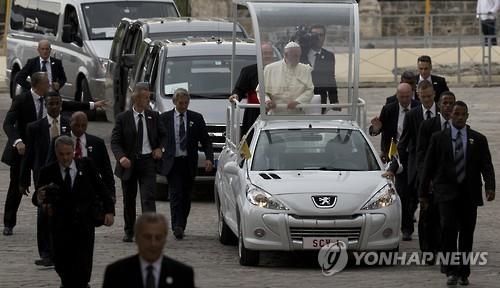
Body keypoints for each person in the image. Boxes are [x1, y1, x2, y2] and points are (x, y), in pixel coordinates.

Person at [1, 72, 102, 236]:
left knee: (47, 187)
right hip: (24, 149)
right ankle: (9, 222)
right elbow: (8, 124)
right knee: (17, 186)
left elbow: (67, 105)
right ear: (37, 85)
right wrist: (17, 141)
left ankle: (50, 221)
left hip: (44, 150)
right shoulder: (22, 100)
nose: (50, 84)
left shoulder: (50, 99)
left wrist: (91, 105)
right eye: (47, 82)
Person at [419, 101, 495, 286]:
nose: (460, 117)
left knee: (467, 233)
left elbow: (486, 165)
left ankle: (464, 272)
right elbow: (428, 166)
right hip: (445, 194)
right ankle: (451, 270)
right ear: (450, 115)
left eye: (463, 114)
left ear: (467, 116)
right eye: (456, 114)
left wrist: (490, 186)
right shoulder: (439, 138)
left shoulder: (478, 139)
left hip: (469, 194)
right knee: (448, 230)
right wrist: (423, 193)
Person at [37, 136, 115, 288]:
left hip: (84, 224)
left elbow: (101, 188)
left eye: (68, 154)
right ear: (56, 153)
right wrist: (40, 198)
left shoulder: (86, 166)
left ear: (74, 152)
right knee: (62, 264)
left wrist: (109, 211)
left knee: (83, 265)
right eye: (61, 154)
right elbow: (38, 197)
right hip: (60, 226)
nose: (65, 158)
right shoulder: (48, 171)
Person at [19, 91, 70, 266]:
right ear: (46, 105)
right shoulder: (35, 127)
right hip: (42, 175)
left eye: (57, 103)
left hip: (65, 173)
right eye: (51, 104)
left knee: (63, 211)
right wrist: (23, 179)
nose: (54, 107)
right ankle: (46, 253)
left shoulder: (69, 123)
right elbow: (29, 155)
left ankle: (62, 250)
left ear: (61, 104)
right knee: (43, 212)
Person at [111, 83, 166, 243]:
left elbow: (164, 136)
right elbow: (115, 142)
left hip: (148, 162)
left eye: (149, 98)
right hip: (129, 163)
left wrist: (160, 149)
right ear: (136, 98)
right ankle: (129, 230)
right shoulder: (123, 118)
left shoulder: (154, 116)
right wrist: (121, 157)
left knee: (148, 197)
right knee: (129, 199)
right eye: (145, 98)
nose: (148, 101)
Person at [159, 88, 214, 240]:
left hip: (188, 162)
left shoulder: (196, 118)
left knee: (186, 195)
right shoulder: (165, 118)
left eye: (186, 103)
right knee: (175, 193)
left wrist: (209, 158)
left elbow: (205, 140)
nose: (183, 106)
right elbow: (157, 138)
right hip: (173, 162)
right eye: (181, 103)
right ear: (174, 102)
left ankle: (182, 223)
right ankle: (177, 225)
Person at [416, 91, 456, 265]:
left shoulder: (458, 126)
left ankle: (442, 247)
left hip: (449, 182)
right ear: (439, 105)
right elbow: (421, 154)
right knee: (428, 216)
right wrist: (426, 179)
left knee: (446, 218)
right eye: (445, 103)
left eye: (451, 103)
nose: (447, 106)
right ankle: (427, 249)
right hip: (431, 179)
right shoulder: (428, 126)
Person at [102, 212, 195, 288]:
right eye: (147, 237)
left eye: (158, 237)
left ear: (165, 240)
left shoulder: (182, 275)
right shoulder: (116, 274)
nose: (153, 243)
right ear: (137, 239)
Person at [396, 80, 437, 241]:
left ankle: (432, 235)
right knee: (409, 197)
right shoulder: (412, 115)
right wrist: (395, 164)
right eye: (423, 97)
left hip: (437, 164)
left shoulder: (442, 112)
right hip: (416, 163)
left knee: (432, 203)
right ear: (418, 96)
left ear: (434, 94)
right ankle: (407, 228)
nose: (427, 100)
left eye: (429, 96)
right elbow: (403, 141)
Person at [229, 43, 274, 135]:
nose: (268, 56)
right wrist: (236, 96)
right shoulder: (248, 71)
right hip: (254, 111)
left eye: (270, 53)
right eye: (265, 53)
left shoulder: (279, 70)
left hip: (275, 110)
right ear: (259, 55)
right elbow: (239, 89)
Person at [70, 111, 116, 201]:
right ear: (70, 123)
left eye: (83, 126)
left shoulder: (97, 143)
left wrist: (111, 193)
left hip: (90, 193)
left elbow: (106, 171)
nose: (80, 129)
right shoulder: (60, 141)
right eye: (76, 125)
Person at [258, 41, 314, 114]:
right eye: (295, 55)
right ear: (286, 55)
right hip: (275, 113)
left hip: (297, 113)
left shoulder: (305, 69)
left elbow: (310, 90)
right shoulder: (270, 68)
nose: (298, 58)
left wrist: (298, 101)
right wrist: (267, 101)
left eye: (299, 55)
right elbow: (260, 91)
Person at [369, 83, 419, 162]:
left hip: (414, 153)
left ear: (412, 94)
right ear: (397, 96)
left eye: (407, 96)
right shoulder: (388, 110)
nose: (405, 100)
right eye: (402, 97)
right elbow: (377, 130)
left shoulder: (418, 107)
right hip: (393, 153)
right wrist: (376, 129)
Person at [299, 25, 338, 114]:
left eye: (321, 35)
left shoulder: (329, 56)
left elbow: (331, 79)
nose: (318, 38)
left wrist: (334, 101)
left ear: (324, 37)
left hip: (320, 100)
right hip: (300, 99)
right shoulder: (301, 53)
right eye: (315, 35)